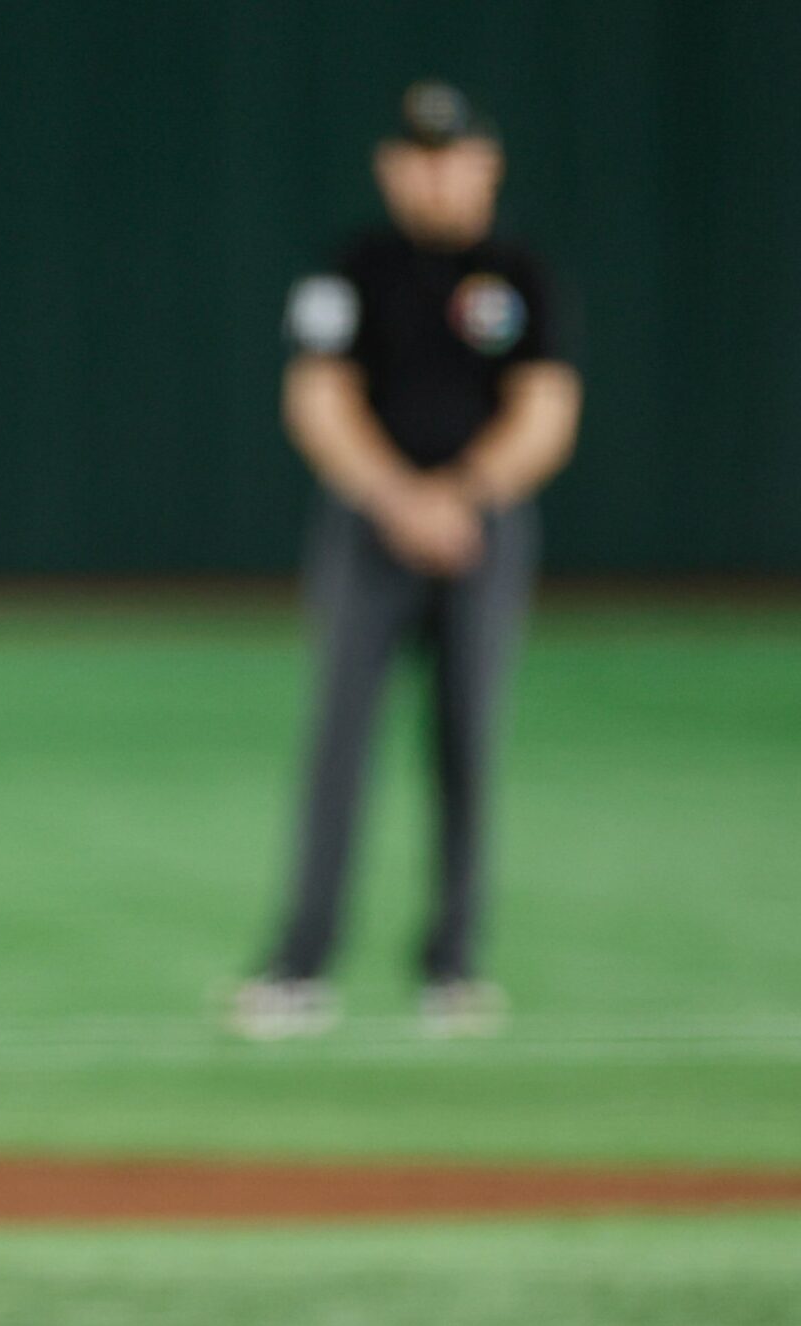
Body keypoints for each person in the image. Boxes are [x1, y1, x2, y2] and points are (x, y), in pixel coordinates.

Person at [234, 80, 582, 1041]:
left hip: (486, 530)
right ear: (393, 168)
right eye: (417, 156)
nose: (434, 174)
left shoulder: (520, 273)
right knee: (340, 745)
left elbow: (547, 407)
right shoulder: (354, 268)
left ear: (487, 166)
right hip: (367, 529)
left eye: (454, 155)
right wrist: (399, 497)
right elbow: (318, 397)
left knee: (469, 742)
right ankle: (301, 964)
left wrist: (463, 494)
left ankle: (454, 966)